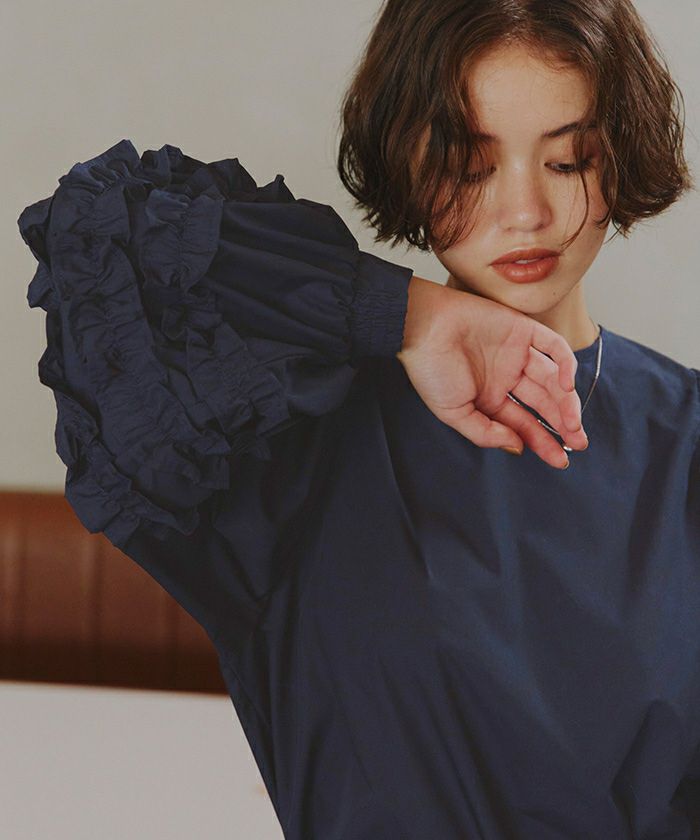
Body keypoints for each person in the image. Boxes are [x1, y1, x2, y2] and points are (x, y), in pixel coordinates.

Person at [17, 0, 700, 837]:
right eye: (469, 165)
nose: (525, 212)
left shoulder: (688, 443)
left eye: (570, 159)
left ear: (621, 154)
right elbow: (98, 232)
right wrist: (409, 317)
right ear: (404, 161)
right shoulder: (290, 434)